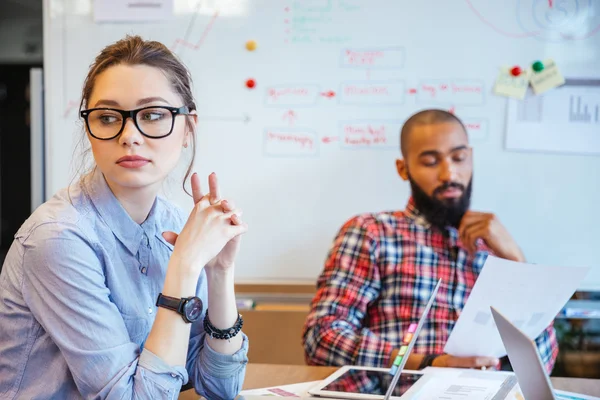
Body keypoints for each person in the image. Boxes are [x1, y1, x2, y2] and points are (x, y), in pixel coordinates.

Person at [0, 35, 249, 400]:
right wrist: (183, 267)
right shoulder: (57, 239)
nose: (130, 136)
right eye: (107, 117)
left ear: (187, 128)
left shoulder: (178, 225)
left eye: (151, 115)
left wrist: (219, 272)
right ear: (90, 128)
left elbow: (218, 386)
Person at [302, 109, 558, 372]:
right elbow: (322, 337)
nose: (449, 174)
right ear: (404, 169)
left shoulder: (493, 249)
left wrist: (517, 262)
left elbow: (540, 366)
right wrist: (424, 364)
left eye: (458, 158)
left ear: (470, 158)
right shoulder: (372, 233)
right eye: (430, 162)